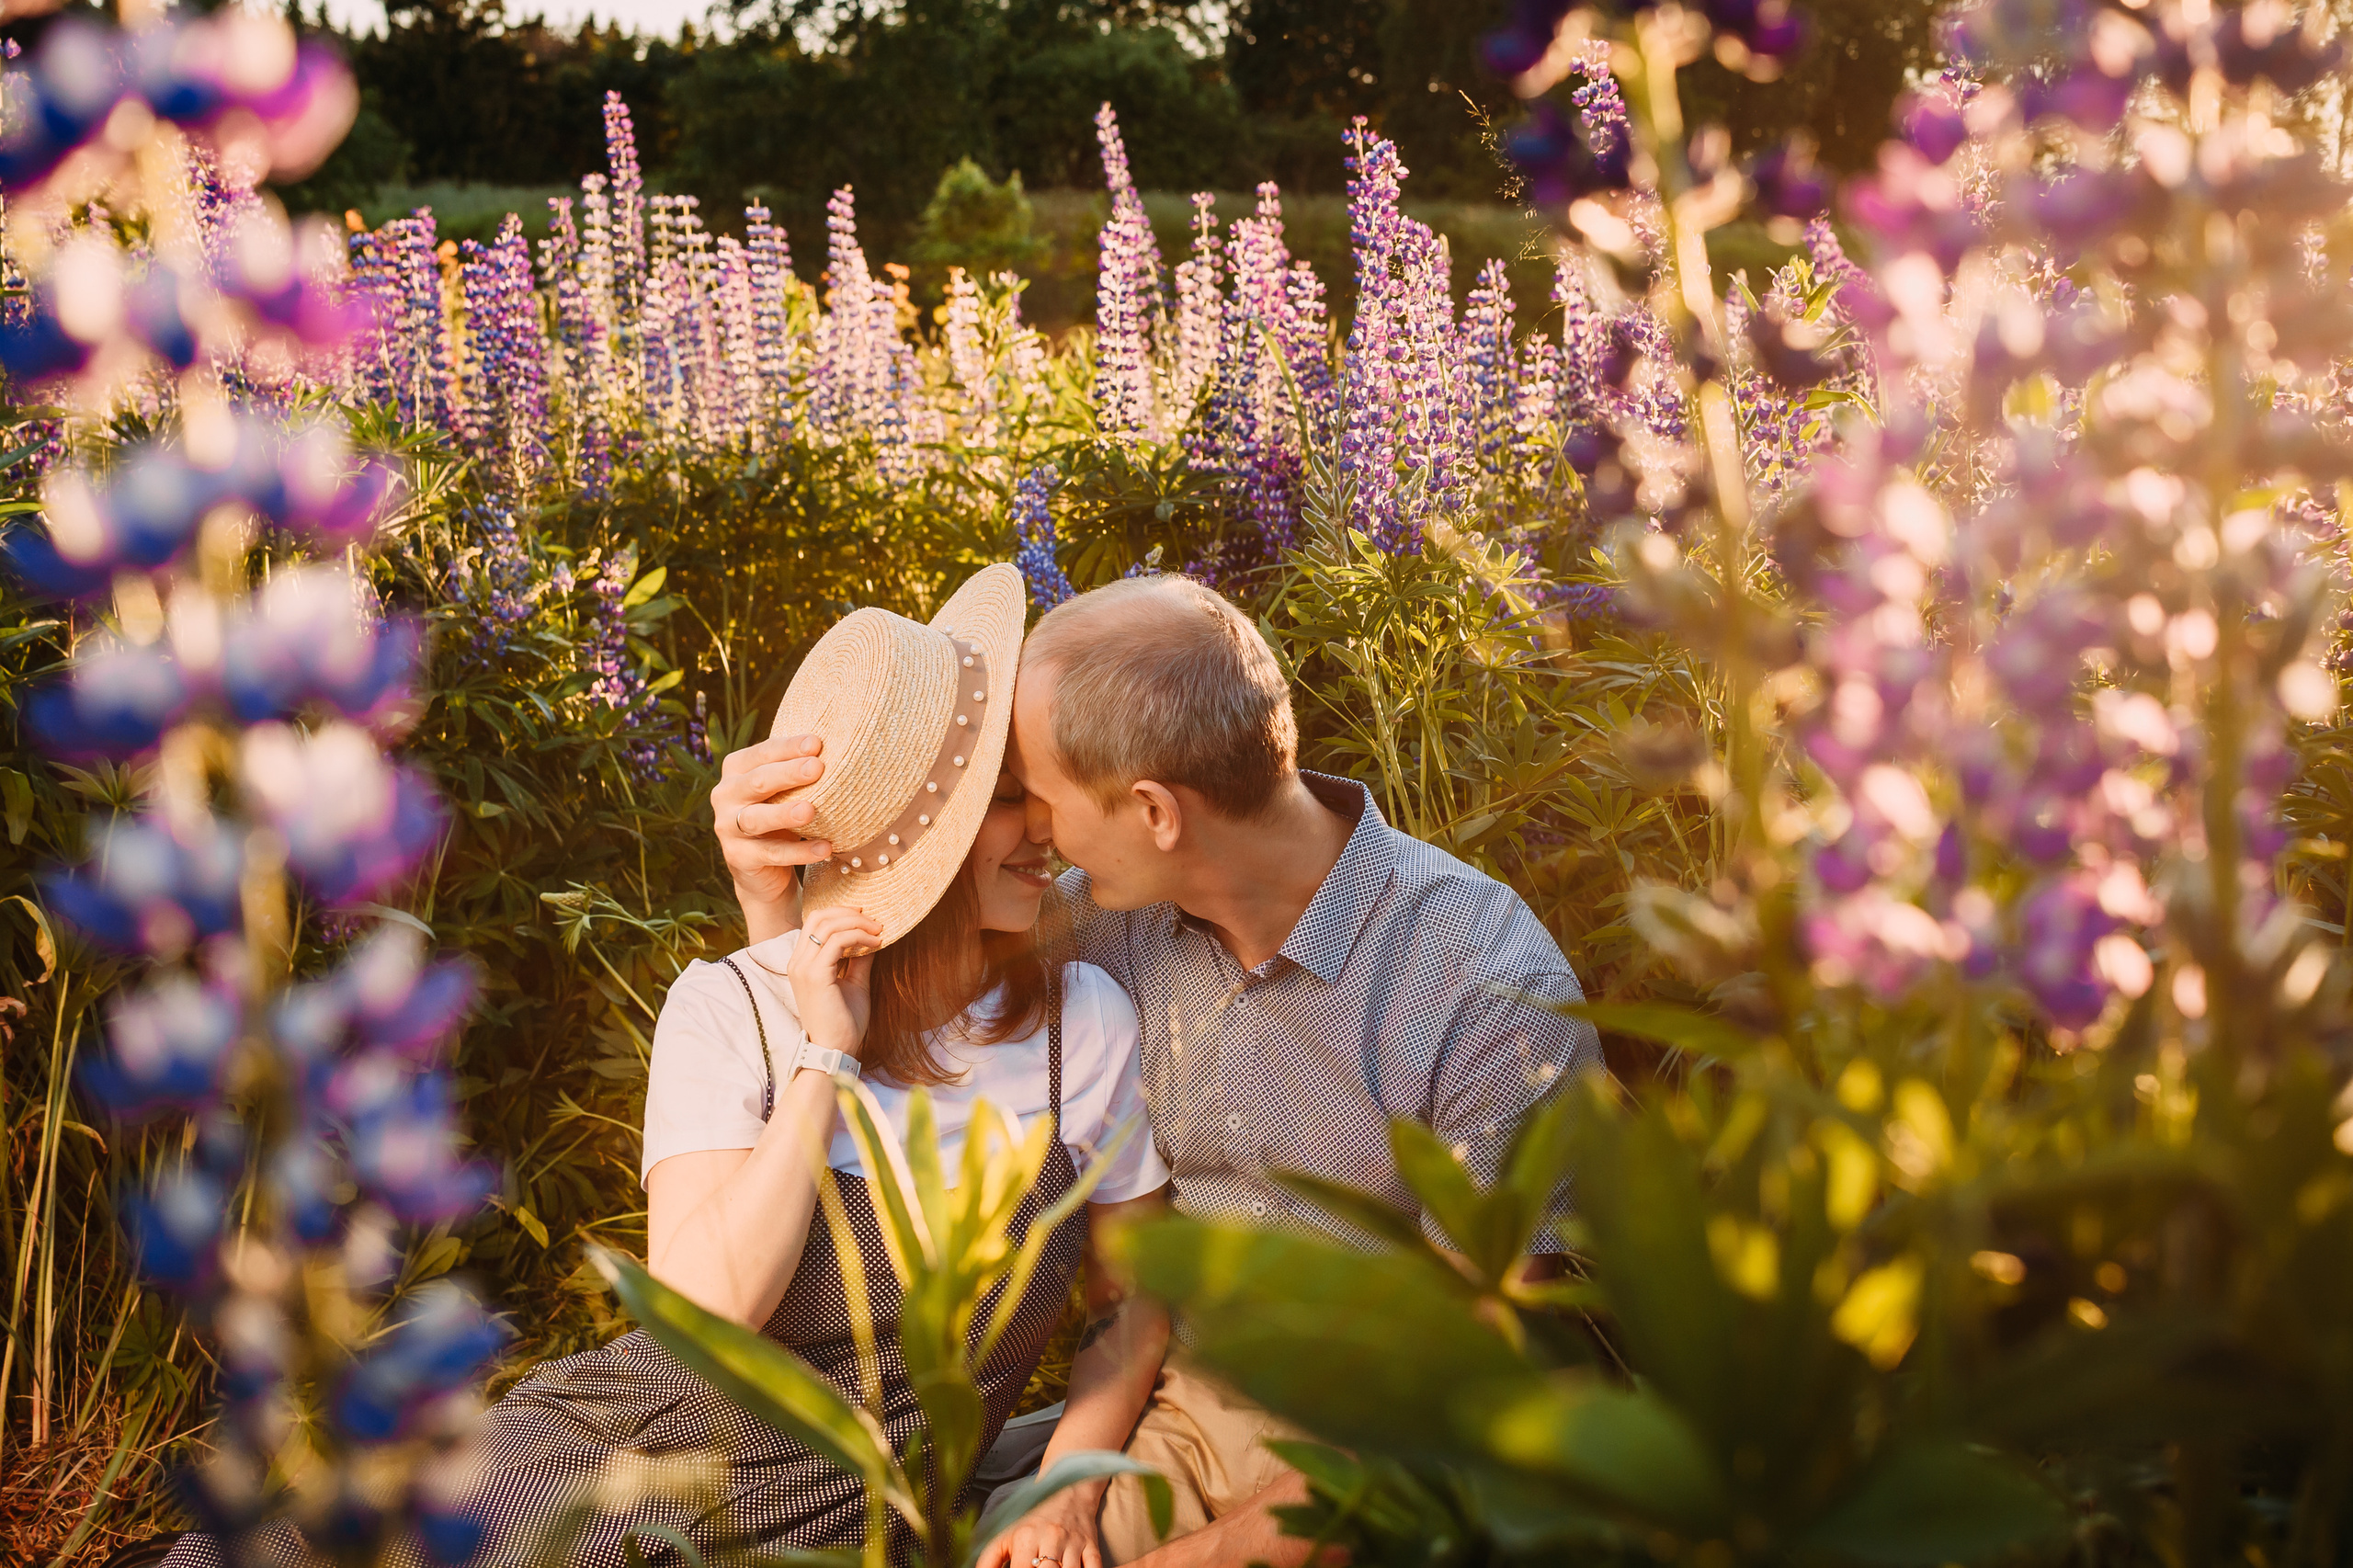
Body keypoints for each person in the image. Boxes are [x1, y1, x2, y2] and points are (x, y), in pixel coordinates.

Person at [162, 564, 1171, 1568]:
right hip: (613, 1467)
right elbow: (701, 1317)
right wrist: (827, 1056)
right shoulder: (728, 1004)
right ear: (929, 844)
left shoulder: (1080, 1023)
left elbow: (1130, 1306)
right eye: (1006, 800)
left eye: (1034, 790)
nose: (1047, 826)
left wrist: (1067, 1492)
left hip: (847, 1529)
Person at [716, 574, 1600, 1568]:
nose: (1034, 832)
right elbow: (883, 1013)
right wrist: (771, 898)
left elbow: (1491, 1355)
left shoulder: (1483, 985)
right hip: (1195, 1396)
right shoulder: (1107, 918)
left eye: (1034, 795)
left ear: (1153, 810)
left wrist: (1215, 1553)